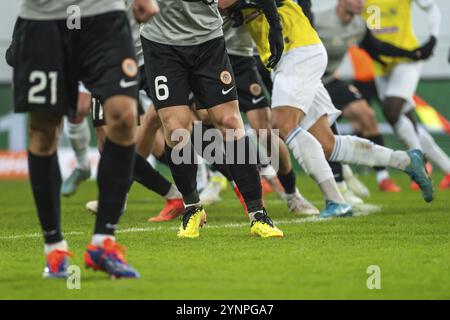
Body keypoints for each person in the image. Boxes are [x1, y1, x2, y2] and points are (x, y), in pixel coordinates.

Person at [220, 0, 434, 218]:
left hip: (296, 50)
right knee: (327, 143)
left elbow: (220, 4)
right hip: (291, 56)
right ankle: (404, 160)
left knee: (282, 125)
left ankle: (335, 200)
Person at [11, 0, 159, 279]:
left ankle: (103, 242)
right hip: (44, 16)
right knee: (44, 130)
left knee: (124, 116)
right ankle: (54, 248)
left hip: (103, 14)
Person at [140, 0, 284, 238]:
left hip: (208, 41)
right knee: (176, 129)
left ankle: (258, 215)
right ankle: (192, 207)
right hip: (161, 44)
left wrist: (274, 25)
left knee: (229, 122)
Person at [361, 0, 450, 190]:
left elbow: (432, 7)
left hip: (407, 59)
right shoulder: (357, 2)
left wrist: (433, 38)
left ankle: (420, 162)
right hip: (381, 65)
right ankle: (447, 169)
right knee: (409, 123)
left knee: (391, 111)